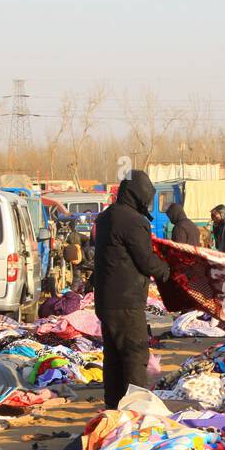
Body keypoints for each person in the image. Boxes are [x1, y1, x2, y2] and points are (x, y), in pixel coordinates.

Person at [93, 171, 171, 408]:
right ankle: (135, 410)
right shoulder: (135, 221)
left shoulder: (105, 217)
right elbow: (145, 260)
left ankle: (114, 408)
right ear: (140, 196)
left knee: (114, 358)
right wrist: (169, 272)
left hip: (106, 300)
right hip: (127, 301)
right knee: (134, 356)